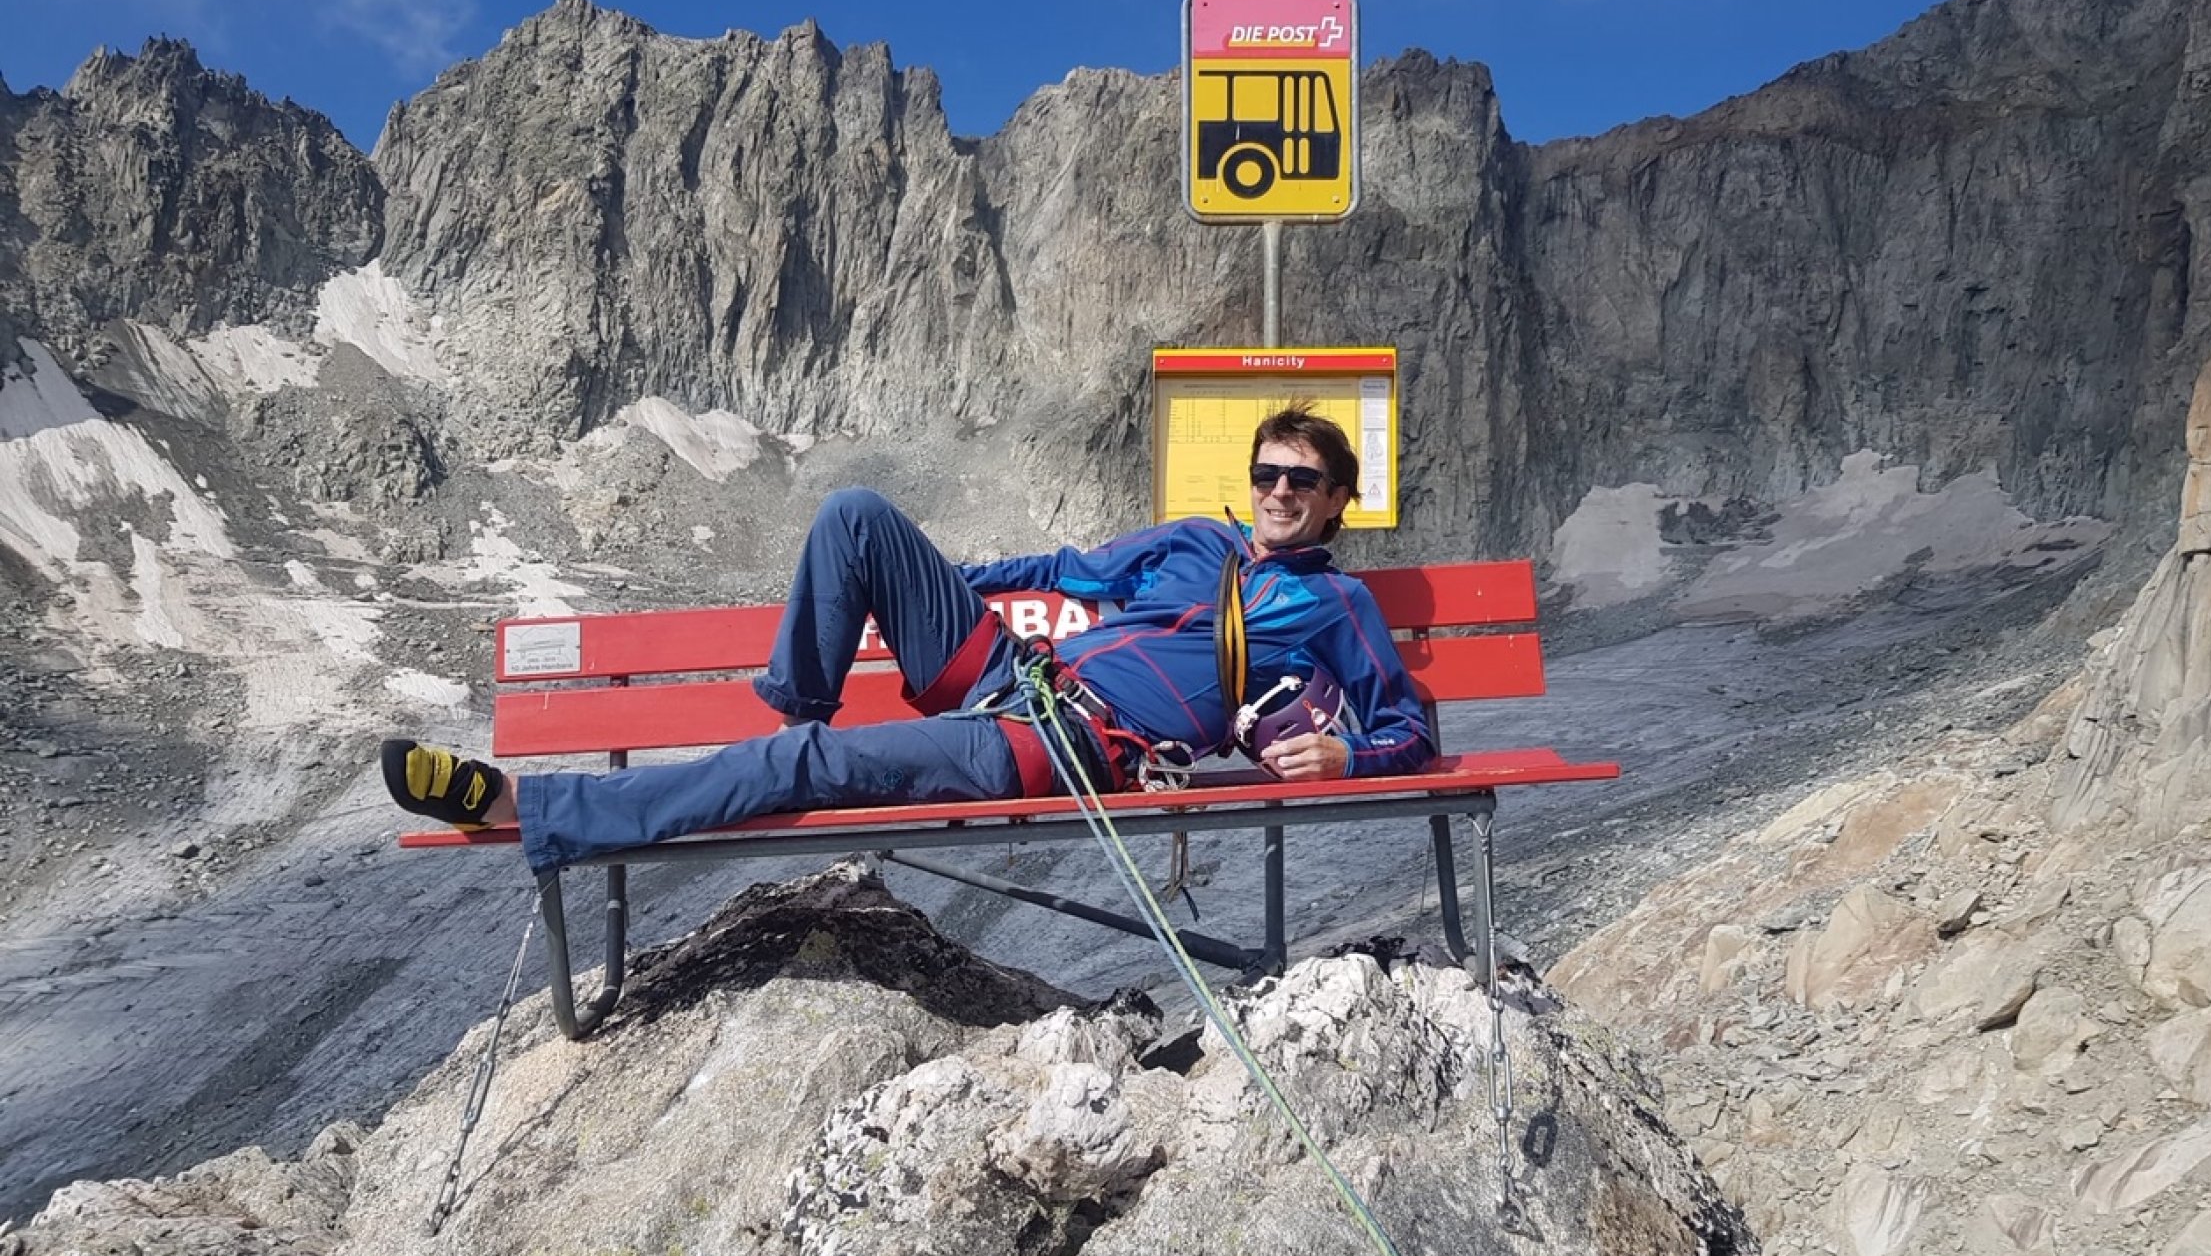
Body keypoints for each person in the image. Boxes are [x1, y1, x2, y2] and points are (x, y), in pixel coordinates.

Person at [382, 405, 1434, 876]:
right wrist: (928, 584)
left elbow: (1411, 730)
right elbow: (1063, 569)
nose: (1279, 491)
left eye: (1302, 479)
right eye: (1267, 473)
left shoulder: (1337, 606)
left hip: (1066, 745)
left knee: (803, 766)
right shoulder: (1195, 540)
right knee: (856, 515)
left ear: (1337, 498)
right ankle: (796, 727)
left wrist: (1347, 758)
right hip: (1017, 674)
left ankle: (523, 804)